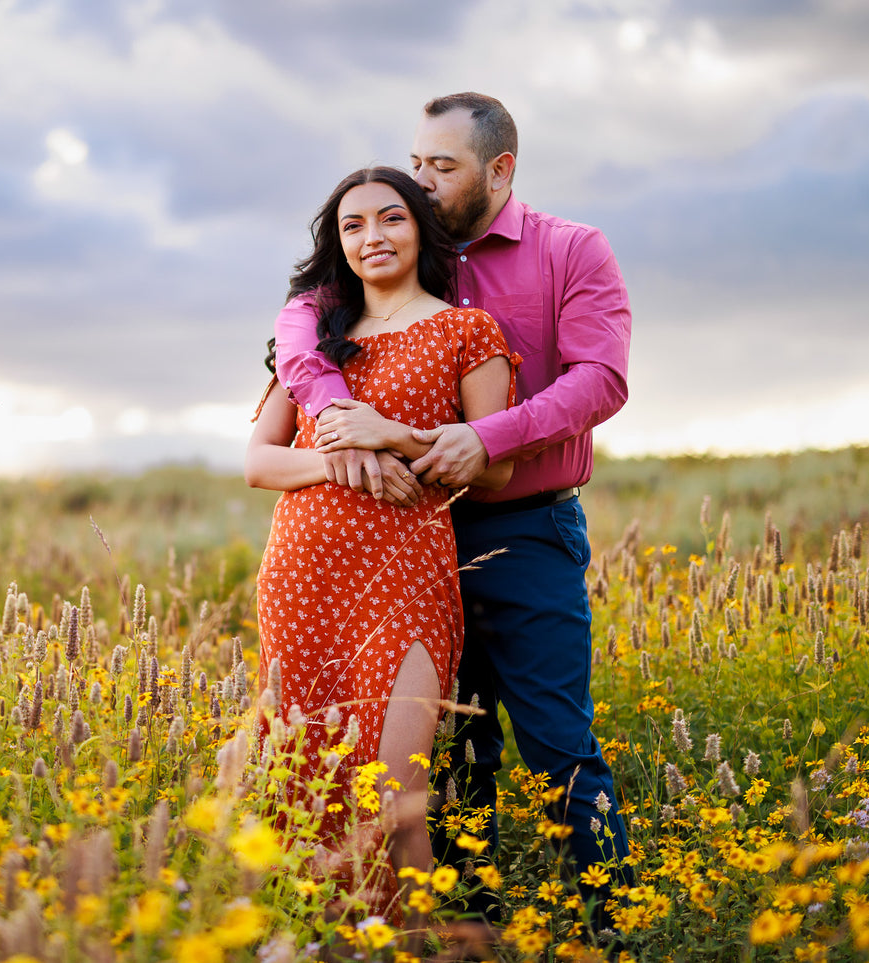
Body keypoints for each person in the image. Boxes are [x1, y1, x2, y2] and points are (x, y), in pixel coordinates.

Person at [274, 92, 636, 925]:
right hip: (397, 543)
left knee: (554, 743)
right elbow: (298, 327)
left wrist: (487, 437)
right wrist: (333, 413)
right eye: (418, 163)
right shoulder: (391, 245)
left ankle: (612, 923)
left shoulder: (570, 250)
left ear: (499, 169)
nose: (423, 182)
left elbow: (600, 378)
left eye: (443, 167)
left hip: (518, 525)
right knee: (447, 756)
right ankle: (474, 923)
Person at [246, 165, 517, 918]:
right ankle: (333, 935)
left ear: (421, 230)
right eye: (353, 225)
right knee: (307, 785)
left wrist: (392, 444)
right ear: (336, 243)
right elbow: (259, 462)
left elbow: (491, 470)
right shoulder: (314, 341)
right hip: (303, 581)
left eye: (390, 218)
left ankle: (415, 939)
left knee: (396, 791)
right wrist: (344, 463)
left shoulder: (470, 331)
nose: (373, 237)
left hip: (407, 578)